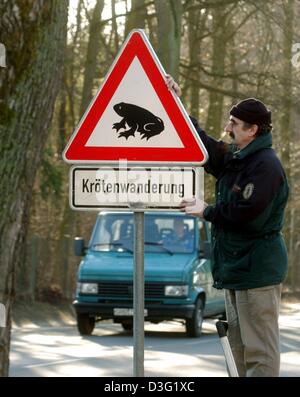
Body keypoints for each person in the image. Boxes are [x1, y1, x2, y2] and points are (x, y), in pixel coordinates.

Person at [166, 76, 289, 377]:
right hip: (236, 269)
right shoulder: (238, 158)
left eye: (234, 123)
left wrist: (206, 211)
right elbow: (204, 147)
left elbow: (248, 214)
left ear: (252, 130)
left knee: (260, 351)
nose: (228, 128)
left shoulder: (265, 166)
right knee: (237, 349)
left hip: (256, 270)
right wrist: (176, 104)